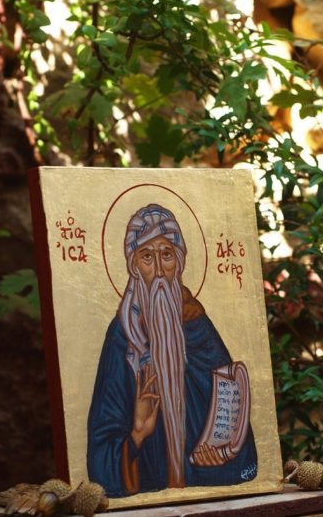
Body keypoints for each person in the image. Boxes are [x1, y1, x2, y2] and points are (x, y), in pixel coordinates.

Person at [87, 203, 257, 497]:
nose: (158, 270)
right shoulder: (122, 337)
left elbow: (231, 416)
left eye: (166, 255)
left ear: (178, 261)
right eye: (146, 256)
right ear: (134, 266)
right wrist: (137, 434)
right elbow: (101, 453)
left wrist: (221, 454)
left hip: (204, 492)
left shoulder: (198, 325)